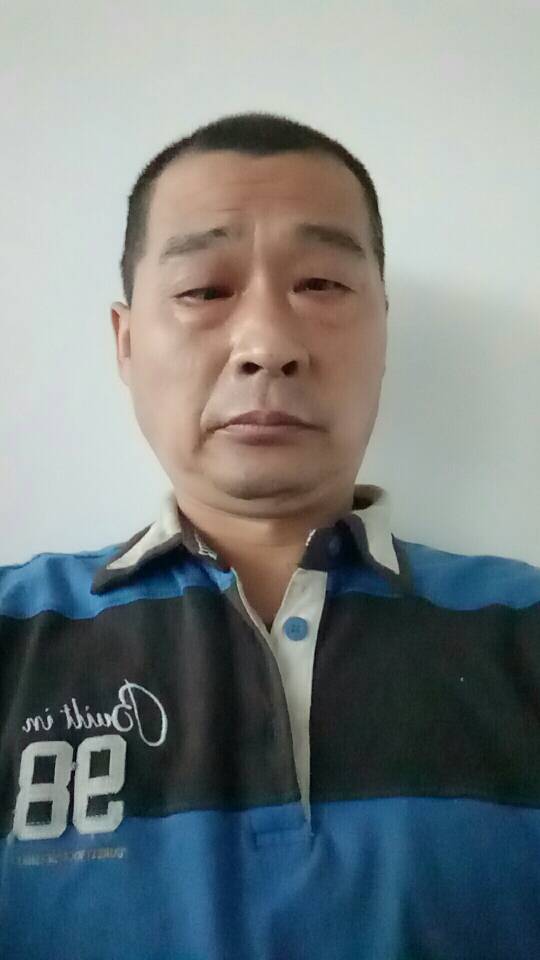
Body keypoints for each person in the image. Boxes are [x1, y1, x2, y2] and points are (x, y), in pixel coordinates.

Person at [1, 111, 539, 960]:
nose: (267, 345)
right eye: (203, 291)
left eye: (321, 285)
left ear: (384, 329)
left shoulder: (524, 627)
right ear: (127, 343)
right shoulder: (14, 634)